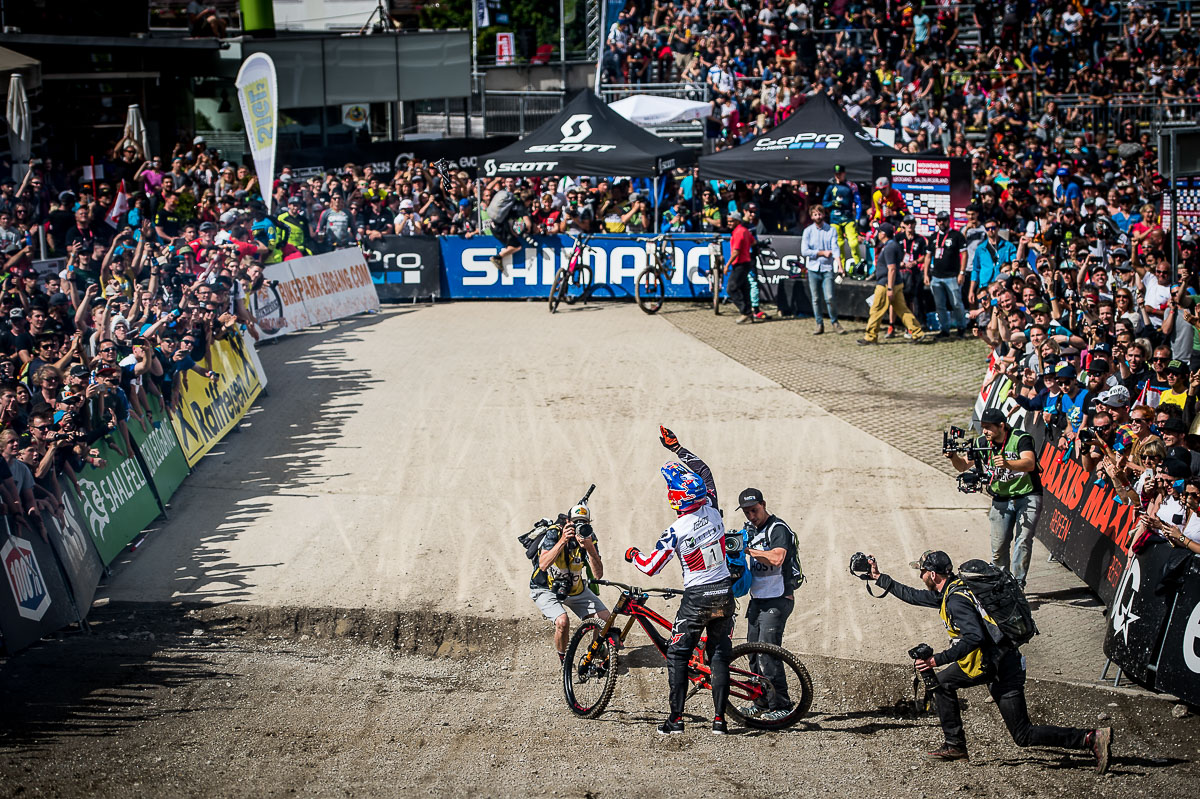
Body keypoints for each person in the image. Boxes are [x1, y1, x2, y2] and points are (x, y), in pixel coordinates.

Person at [864, 550, 1112, 771]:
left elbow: (974, 637)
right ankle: (955, 745)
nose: (920, 577)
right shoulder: (952, 588)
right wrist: (879, 578)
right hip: (997, 661)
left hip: (999, 667)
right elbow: (913, 596)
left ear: (931, 574)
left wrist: (937, 659)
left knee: (1022, 734)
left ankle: (1090, 738)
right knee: (944, 685)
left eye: (921, 573)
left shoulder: (956, 600)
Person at [626, 451, 734, 735]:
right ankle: (720, 722)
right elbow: (706, 472)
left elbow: (650, 568)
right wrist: (679, 449)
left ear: (675, 499)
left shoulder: (676, 529)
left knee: (677, 655)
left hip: (698, 597)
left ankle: (676, 720)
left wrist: (633, 555)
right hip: (725, 591)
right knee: (720, 655)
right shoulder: (712, 508)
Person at [945, 408, 1042, 588]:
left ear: (1001, 426)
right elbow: (963, 466)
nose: (984, 432)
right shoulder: (982, 442)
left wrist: (1007, 463)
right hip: (1001, 498)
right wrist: (953, 457)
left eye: (988, 428)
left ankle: (1018, 584)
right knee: (998, 547)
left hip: (1027, 495)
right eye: (982, 427)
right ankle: (1001, 583)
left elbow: (1029, 463)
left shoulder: (1020, 438)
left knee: (1023, 541)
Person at [737, 487, 802, 721]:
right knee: (752, 653)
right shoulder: (750, 531)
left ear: (763, 504)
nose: (751, 516)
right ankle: (761, 701)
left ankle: (782, 705)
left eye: (754, 510)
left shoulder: (778, 528)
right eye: (746, 512)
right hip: (757, 600)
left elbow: (777, 558)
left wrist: (748, 550)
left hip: (778, 599)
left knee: (768, 654)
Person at [528, 505, 609, 664]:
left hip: (576, 588)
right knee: (562, 622)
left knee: (605, 619)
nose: (580, 527)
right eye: (576, 523)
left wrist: (590, 548)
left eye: (584, 523)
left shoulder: (589, 537)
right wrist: (563, 540)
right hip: (545, 588)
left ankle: (595, 650)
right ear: (568, 522)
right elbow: (543, 564)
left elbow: (598, 574)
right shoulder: (555, 533)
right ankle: (564, 660)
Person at [858, 223, 930, 345]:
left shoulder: (889, 247)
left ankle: (870, 337)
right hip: (895, 283)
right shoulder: (892, 246)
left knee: (876, 310)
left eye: (879, 232)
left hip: (886, 284)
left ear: (883, 234)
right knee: (903, 310)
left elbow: (891, 269)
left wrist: (890, 288)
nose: (877, 234)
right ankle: (917, 332)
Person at [924, 210, 970, 338]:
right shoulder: (933, 237)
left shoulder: (957, 235)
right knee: (940, 305)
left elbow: (964, 254)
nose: (941, 222)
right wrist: (926, 274)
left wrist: (962, 272)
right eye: (939, 220)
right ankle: (944, 329)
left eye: (944, 220)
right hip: (936, 277)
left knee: (956, 303)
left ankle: (961, 327)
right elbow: (928, 257)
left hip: (952, 276)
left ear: (948, 221)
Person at [801, 204, 844, 335]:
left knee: (829, 297)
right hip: (813, 268)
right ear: (811, 216)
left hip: (827, 268)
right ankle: (819, 324)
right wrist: (821, 253)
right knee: (815, 298)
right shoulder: (807, 231)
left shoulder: (831, 230)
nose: (818, 217)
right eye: (815, 214)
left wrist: (840, 267)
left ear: (824, 215)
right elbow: (804, 251)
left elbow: (835, 249)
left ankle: (835, 322)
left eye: (820, 214)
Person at [822, 164, 862, 276]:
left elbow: (858, 202)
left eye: (840, 173)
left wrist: (857, 218)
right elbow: (824, 202)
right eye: (836, 174)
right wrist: (832, 203)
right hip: (835, 218)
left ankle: (858, 266)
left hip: (848, 217)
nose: (838, 176)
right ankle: (841, 269)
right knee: (838, 244)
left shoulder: (851, 186)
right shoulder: (831, 187)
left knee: (853, 243)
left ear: (844, 173)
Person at [724, 207, 757, 325]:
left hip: (740, 263)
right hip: (746, 262)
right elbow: (753, 242)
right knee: (744, 289)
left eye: (731, 221)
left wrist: (727, 265)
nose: (729, 223)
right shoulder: (745, 230)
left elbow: (736, 251)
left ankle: (745, 312)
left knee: (731, 288)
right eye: (728, 221)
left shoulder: (738, 232)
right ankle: (749, 313)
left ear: (737, 221)